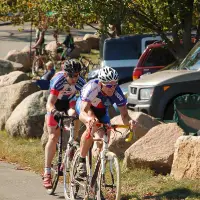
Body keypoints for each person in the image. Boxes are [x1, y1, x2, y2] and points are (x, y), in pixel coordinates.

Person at [75, 66, 135, 179]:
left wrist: (130, 122)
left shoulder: (117, 92)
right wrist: (88, 120)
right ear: (101, 83)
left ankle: (97, 175)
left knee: (106, 135)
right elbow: (83, 111)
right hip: (86, 107)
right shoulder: (92, 88)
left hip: (101, 110)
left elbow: (124, 115)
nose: (112, 88)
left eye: (114, 85)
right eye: (109, 85)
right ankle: (81, 160)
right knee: (93, 124)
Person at [43, 59, 85, 189]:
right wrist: (54, 111)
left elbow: (85, 100)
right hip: (55, 103)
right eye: (71, 75)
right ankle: (47, 172)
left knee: (75, 123)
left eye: (76, 75)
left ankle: (70, 150)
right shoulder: (58, 81)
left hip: (70, 103)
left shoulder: (81, 82)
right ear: (65, 74)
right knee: (53, 137)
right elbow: (49, 104)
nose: (73, 78)